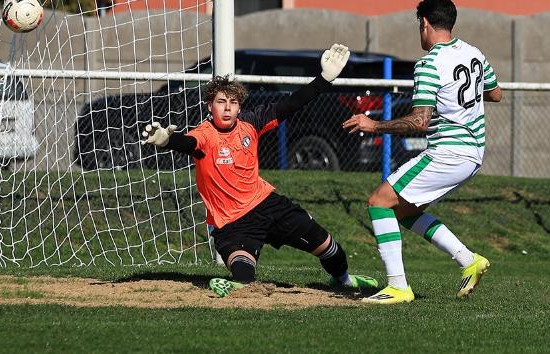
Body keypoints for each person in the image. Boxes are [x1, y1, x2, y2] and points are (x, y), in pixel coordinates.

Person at [143, 43, 378, 297]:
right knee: (244, 274)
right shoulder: (204, 134)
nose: (227, 107)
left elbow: (291, 104)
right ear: (210, 106)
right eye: (221, 102)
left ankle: (344, 280)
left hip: (267, 205)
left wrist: (324, 79)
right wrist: (168, 141)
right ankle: (236, 285)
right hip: (231, 223)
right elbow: (187, 144)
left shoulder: (251, 123)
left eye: (233, 102)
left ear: (239, 108)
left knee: (329, 246)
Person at [343, 0, 502, 304]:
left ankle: (399, 287)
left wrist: (373, 125)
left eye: (419, 25)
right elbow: (496, 94)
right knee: (403, 210)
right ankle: (468, 260)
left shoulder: (429, 64)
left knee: (378, 202)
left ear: (425, 23)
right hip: (473, 153)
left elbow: (419, 121)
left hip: (449, 152)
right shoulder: (474, 54)